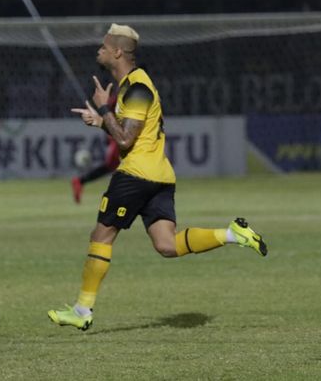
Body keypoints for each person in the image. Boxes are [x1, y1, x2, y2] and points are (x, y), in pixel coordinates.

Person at [49, 24, 267, 331]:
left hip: (136, 175)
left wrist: (103, 107)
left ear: (118, 52)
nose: (98, 49)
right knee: (166, 245)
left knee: (101, 236)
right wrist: (101, 121)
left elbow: (124, 141)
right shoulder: (135, 84)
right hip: (161, 175)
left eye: (104, 45)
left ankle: (82, 310)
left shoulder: (137, 88)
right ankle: (232, 234)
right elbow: (132, 133)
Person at [71, 93, 120, 204]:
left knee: (114, 166)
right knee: (112, 165)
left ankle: (80, 181)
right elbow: (106, 109)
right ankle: (80, 181)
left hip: (123, 133)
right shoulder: (121, 95)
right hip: (119, 134)